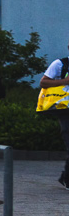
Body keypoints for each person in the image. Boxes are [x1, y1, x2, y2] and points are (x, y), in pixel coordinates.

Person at [41, 41, 69, 189]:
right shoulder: (60, 63)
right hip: (64, 108)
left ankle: (65, 176)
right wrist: (65, 81)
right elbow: (43, 82)